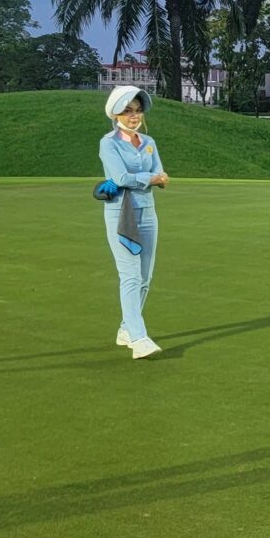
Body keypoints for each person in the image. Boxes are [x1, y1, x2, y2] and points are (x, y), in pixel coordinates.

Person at [99, 85, 168, 358]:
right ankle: (139, 339)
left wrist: (154, 178)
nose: (134, 116)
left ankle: (127, 328)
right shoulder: (109, 143)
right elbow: (121, 179)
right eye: (128, 111)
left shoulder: (149, 143)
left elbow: (160, 172)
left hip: (148, 213)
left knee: (145, 278)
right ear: (116, 114)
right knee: (130, 275)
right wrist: (151, 179)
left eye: (137, 111)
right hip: (121, 214)